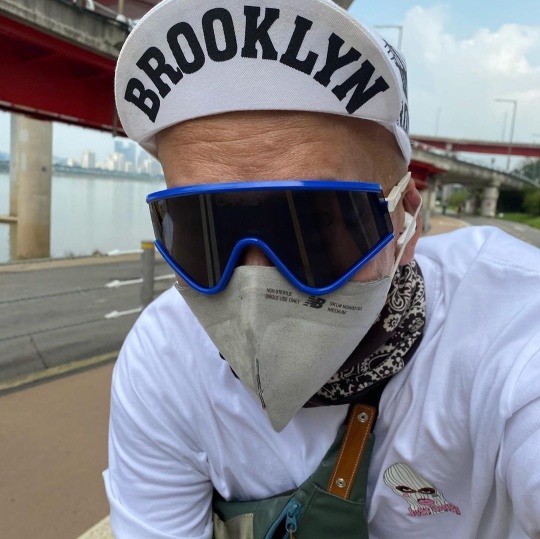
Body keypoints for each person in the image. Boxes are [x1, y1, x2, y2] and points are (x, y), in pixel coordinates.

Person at [104, 0, 540, 537]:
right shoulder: (165, 361)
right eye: (204, 230)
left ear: (405, 222)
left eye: (312, 225)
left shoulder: (511, 333)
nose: (253, 283)